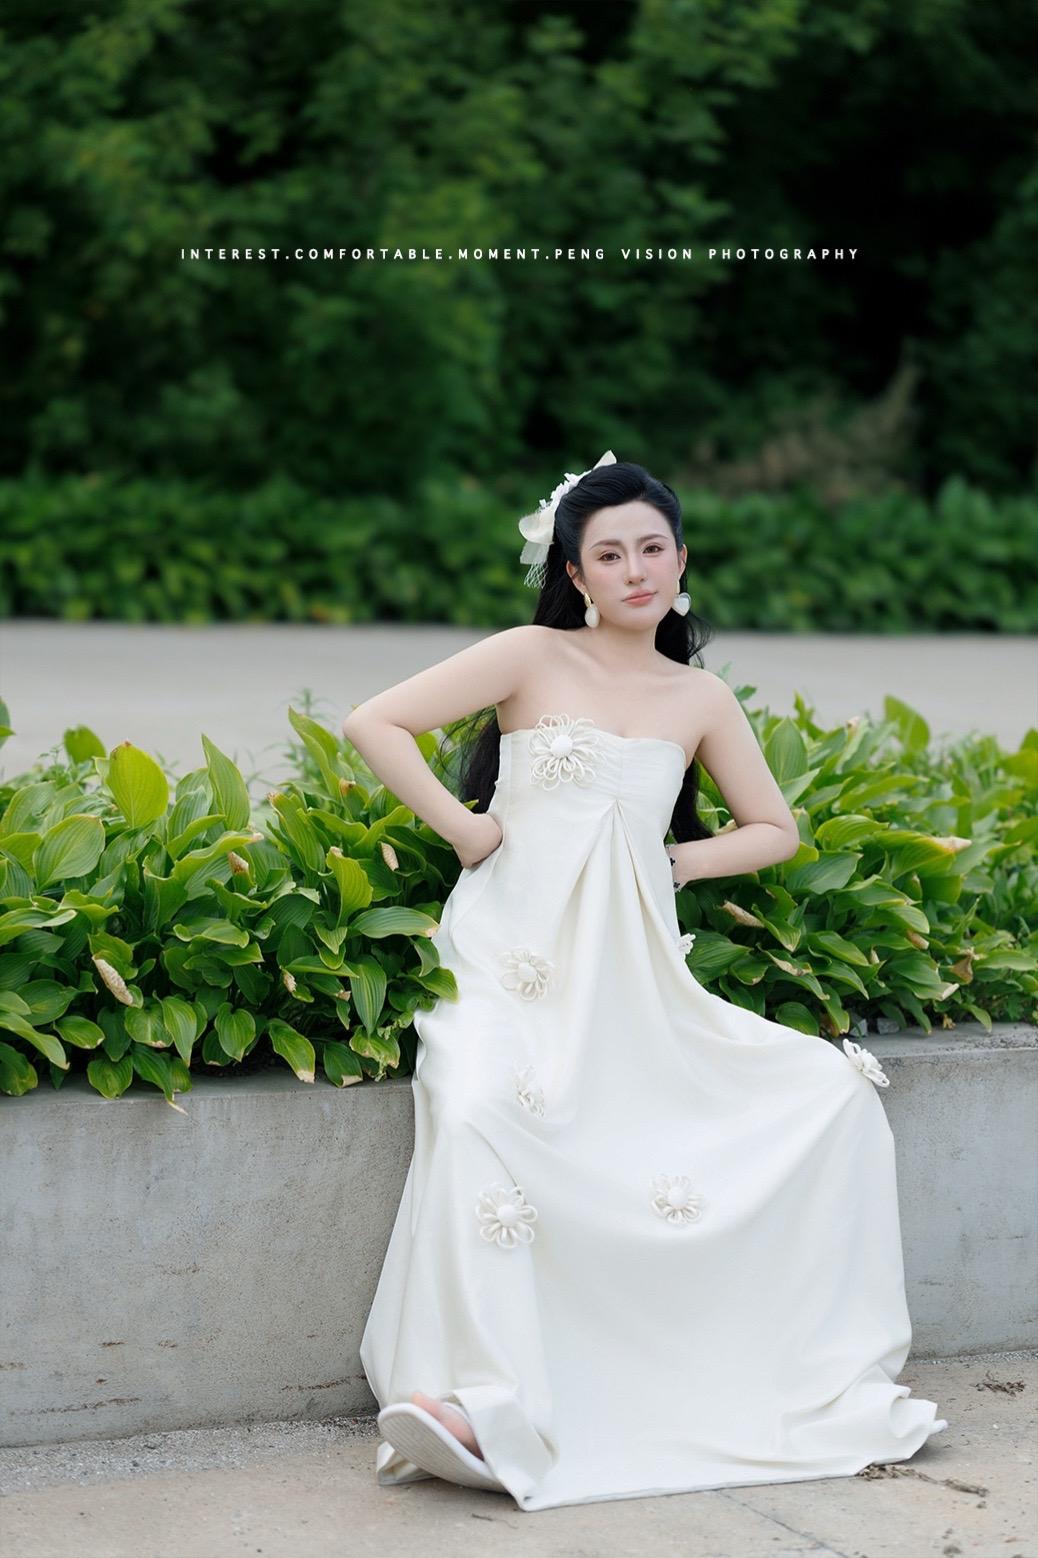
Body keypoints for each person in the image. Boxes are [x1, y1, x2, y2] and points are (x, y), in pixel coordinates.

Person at [344, 453, 948, 1512]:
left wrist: (674, 861)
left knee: (830, 1094)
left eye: (652, 549)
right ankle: (481, 1399)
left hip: (633, 972)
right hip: (511, 954)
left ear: (681, 561)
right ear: (575, 573)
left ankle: (744, 1370)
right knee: (478, 1105)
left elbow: (774, 828)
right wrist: (467, 830)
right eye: (610, 554)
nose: (636, 570)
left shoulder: (697, 695)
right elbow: (373, 722)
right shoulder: (530, 654)